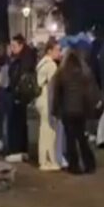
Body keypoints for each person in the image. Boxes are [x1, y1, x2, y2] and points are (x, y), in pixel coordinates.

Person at [52, 50, 97, 174]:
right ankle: (89, 164)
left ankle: (74, 166)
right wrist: (90, 110)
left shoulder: (61, 73)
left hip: (67, 110)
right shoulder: (85, 73)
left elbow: (57, 94)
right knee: (82, 137)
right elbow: (89, 94)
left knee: (70, 140)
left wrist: (55, 110)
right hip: (81, 110)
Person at [5, 34, 36, 163]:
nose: (12, 48)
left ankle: (17, 150)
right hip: (18, 94)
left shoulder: (23, 60)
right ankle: (21, 150)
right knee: (19, 123)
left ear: (21, 45)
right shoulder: (22, 58)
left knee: (16, 123)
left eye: (14, 46)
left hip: (19, 95)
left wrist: (16, 91)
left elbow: (19, 77)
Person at [35, 37, 62, 171]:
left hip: (40, 98)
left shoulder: (41, 63)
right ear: (50, 50)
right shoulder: (51, 65)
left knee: (44, 129)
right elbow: (53, 87)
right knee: (48, 132)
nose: (59, 53)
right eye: (57, 50)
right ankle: (47, 160)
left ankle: (45, 159)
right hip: (46, 99)